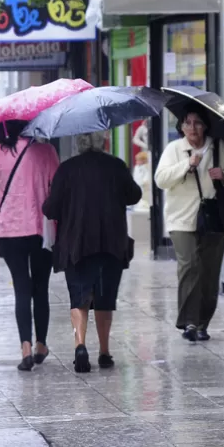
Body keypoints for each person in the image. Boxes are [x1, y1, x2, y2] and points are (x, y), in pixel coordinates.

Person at [42, 131, 142, 373]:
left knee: (79, 296)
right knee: (105, 297)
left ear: (79, 142)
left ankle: (80, 345)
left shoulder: (67, 169)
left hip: (76, 244)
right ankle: (105, 351)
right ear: (103, 141)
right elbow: (134, 195)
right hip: (111, 242)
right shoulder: (116, 166)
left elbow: (50, 208)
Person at [154, 106, 224, 342]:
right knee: (190, 265)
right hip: (182, 218)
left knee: (209, 272)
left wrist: (223, 176)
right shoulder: (174, 149)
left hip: (214, 217)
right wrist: (187, 165)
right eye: (188, 123)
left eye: (197, 123)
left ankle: (203, 323)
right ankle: (189, 322)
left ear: (205, 126)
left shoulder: (218, 147)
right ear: (181, 127)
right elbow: (161, 179)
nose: (192, 128)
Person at [0, 120, 60, 371]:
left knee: (21, 287)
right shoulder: (47, 151)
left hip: (9, 230)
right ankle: (41, 344)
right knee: (41, 288)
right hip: (41, 229)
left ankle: (25, 347)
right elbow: (56, 189)